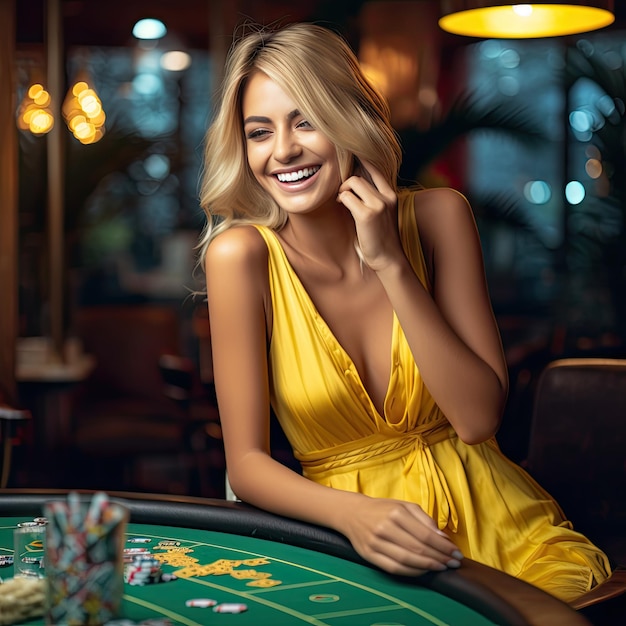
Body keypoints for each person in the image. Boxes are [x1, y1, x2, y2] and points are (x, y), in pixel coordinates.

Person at [198, 22, 612, 603]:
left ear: (351, 121)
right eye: (259, 132)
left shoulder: (440, 217)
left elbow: (477, 420)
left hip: (502, 533)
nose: (283, 150)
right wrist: (355, 516)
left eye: (306, 121)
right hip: (347, 543)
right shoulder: (239, 257)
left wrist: (391, 263)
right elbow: (245, 465)